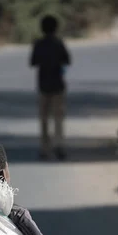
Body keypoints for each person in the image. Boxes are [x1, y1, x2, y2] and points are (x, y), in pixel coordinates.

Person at [30, 15, 71, 160]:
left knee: (44, 118)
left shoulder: (38, 44)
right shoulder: (58, 43)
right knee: (58, 118)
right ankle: (59, 145)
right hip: (58, 85)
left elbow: (33, 62)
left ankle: (44, 148)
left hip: (43, 85)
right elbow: (67, 60)